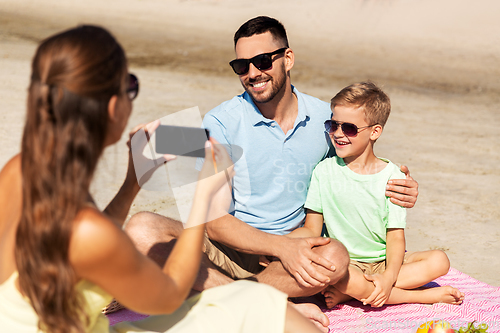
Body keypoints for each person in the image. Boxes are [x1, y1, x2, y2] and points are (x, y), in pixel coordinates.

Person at [0, 25, 323, 333]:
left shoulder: (21, 169)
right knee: (264, 306)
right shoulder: (92, 234)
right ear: (113, 106)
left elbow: (85, 237)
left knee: (259, 299)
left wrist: (132, 182)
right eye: (130, 85)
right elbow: (167, 295)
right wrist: (202, 201)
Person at [126, 16, 419, 332]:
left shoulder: (325, 118)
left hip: (292, 253)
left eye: (262, 61)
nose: (252, 74)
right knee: (142, 229)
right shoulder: (222, 123)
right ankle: (261, 302)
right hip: (231, 249)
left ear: (288, 58)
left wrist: (401, 183)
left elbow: (359, 163)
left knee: (335, 255)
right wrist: (278, 246)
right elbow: (214, 222)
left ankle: (231, 294)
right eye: (242, 66)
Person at [297, 82, 464, 308]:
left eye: (349, 128)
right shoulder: (323, 171)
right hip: (346, 265)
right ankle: (420, 296)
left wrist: (387, 278)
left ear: (375, 132)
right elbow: (312, 229)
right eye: (332, 125)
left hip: (385, 261)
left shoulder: (393, 177)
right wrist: (276, 245)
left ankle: (356, 293)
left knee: (439, 260)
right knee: (333, 273)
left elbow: (395, 238)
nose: (337, 134)